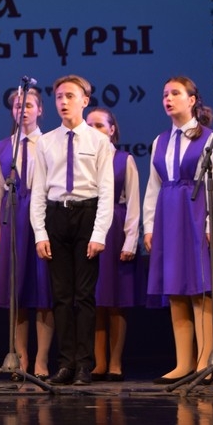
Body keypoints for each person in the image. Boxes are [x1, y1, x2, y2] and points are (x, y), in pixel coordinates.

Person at [143, 76, 213, 385]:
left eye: (175, 93)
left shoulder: (208, 138)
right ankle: (183, 363)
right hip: (168, 217)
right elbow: (153, 187)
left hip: (195, 215)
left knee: (200, 288)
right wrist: (149, 226)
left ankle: (204, 361)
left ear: (192, 99)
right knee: (176, 289)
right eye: (165, 94)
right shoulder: (160, 141)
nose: (168, 99)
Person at [30, 74, 114, 386]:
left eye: (70, 96)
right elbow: (39, 190)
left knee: (84, 295)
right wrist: (40, 232)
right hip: (57, 216)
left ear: (84, 101)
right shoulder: (46, 142)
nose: (63, 102)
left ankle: (84, 365)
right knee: (62, 296)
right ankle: (66, 363)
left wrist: (99, 233)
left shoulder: (98, 141)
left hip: (86, 214)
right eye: (59, 97)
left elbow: (106, 190)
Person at [0, 87, 54, 380]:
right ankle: (21, 358)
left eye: (29, 105)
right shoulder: (4, 147)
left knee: (43, 293)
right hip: (13, 219)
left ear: (40, 110)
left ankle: (42, 360)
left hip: (41, 218)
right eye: (17, 106)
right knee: (17, 294)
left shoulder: (49, 143)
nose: (22, 111)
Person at [85, 107, 142, 381]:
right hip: (90, 227)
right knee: (95, 300)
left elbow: (133, 202)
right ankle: (99, 362)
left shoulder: (123, 160)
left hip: (116, 230)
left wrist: (130, 240)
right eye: (89, 125)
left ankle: (116, 362)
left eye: (99, 125)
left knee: (116, 300)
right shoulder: (84, 161)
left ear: (111, 130)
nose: (94, 130)